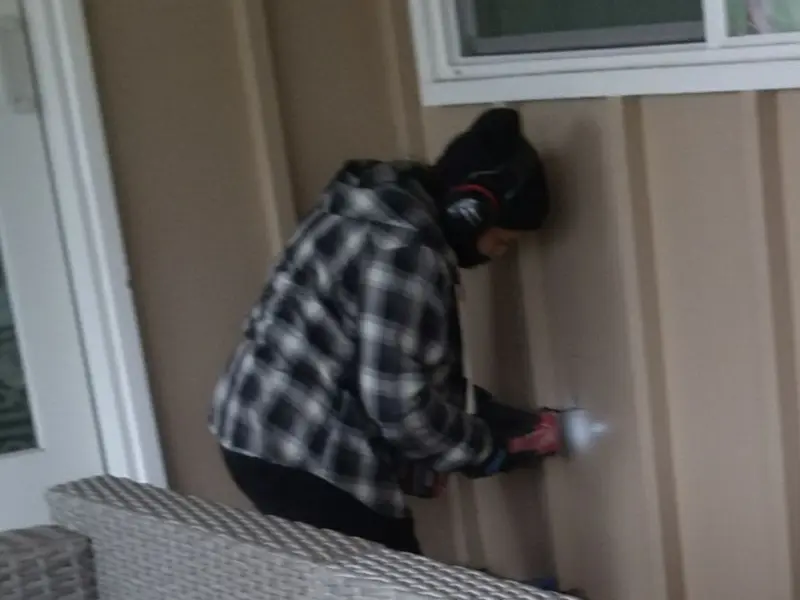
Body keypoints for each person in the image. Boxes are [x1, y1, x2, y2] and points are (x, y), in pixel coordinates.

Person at [208, 107, 552, 555]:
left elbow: (387, 359)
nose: (498, 253)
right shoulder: (406, 249)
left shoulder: (369, 207)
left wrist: (477, 415)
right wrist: (486, 449)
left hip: (256, 424)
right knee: (393, 578)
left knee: (352, 576)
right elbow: (399, 409)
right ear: (470, 210)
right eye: (502, 240)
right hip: (303, 445)